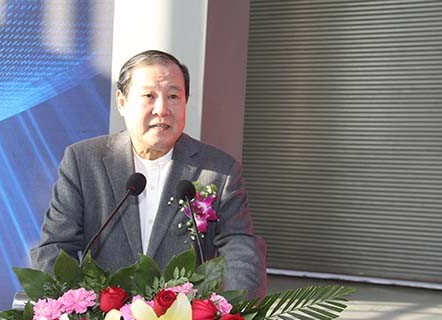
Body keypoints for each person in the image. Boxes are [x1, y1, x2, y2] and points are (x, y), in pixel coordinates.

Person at [31, 50, 266, 299]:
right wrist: (67, 310)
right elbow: (56, 247)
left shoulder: (218, 170)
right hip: (102, 319)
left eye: (173, 96)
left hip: (185, 319)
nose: (162, 109)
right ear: (122, 102)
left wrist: (234, 310)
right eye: (148, 96)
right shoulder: (83, 161)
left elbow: (240, 250)